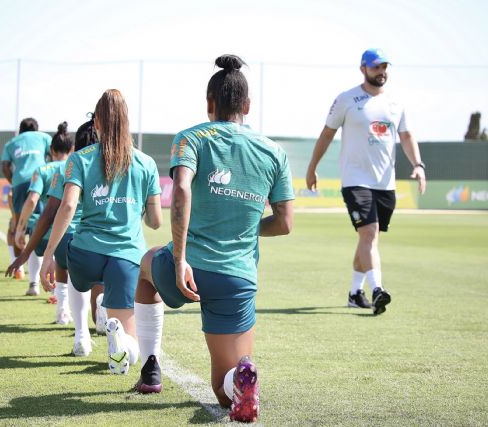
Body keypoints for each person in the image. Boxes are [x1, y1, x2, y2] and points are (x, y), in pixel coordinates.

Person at [133, 54, 294, 423]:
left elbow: (183, 189)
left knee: (144, 268)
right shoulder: (273, 151)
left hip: (188, 266)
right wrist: (241, 226)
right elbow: (285, 223)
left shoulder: (191, 137)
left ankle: (150, 365)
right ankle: (239, 379)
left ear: (209, 103)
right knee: (224, 393)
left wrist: (178, 259)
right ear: (247, 106)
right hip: (237, 276)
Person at [39, 89, 162, 367]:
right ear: (127, 122)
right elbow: (155, 221)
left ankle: (81, 332)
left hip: (84, 255)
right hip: (125, 256)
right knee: (131, 345)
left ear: (96, 124)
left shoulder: (79, 159)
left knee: (77, 277)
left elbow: (68, 207)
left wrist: (48, 255)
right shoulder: (146, 163)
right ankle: (117, 335)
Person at [305, 48, 426, 315]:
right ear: (363, 69)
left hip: (385, 183)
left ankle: (354, 292)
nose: (381, 72)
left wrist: (418, 165)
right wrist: (312, 167)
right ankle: (377, 289)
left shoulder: (396, 104)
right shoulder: (347, 99)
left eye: (384, 67)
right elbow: (327, 134)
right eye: (375, 67)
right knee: (368, 234)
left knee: (368, 240)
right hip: (355, 180)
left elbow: (406, 137)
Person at [7, 118, 103, 356]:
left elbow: (47, 210)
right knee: (98, 281)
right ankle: (102, 314)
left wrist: (23, 241)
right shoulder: (105, 168)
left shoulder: (61, 168)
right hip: (99, 239)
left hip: (62, 236)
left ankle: (66, 314)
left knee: (64, 271)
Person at [14, 122, 74, 319]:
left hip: (44, 227)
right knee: (67, 267)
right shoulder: (76, 167)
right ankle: (65, 305)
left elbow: (32, 200)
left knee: (36, 251)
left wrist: (21, 227)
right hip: (70, 229)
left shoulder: (43, 169)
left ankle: (33, 284)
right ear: (71, 149)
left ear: (51, 150)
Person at [1, 118, 52, 295]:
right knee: (43, 229)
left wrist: (13, 180)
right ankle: (39, 282)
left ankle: (25, 274)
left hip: (19, 185)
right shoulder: (44, 137)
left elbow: (5, 166)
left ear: (20, 130)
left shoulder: (12, 143)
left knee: (19, 227)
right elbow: (54, 155)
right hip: (41, 182)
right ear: (37, 129)